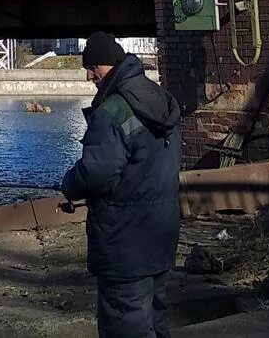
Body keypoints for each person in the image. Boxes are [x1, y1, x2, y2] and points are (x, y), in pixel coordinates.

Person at [60, 31, 183, 338]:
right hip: (160, 233)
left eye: (93, 69)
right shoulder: (159, 98)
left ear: (109, 65)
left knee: (125, 324)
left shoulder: (113, 110)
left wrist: (70, 184)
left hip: (125, 242)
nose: (90, 77)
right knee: (155, 320)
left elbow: (98, 172)